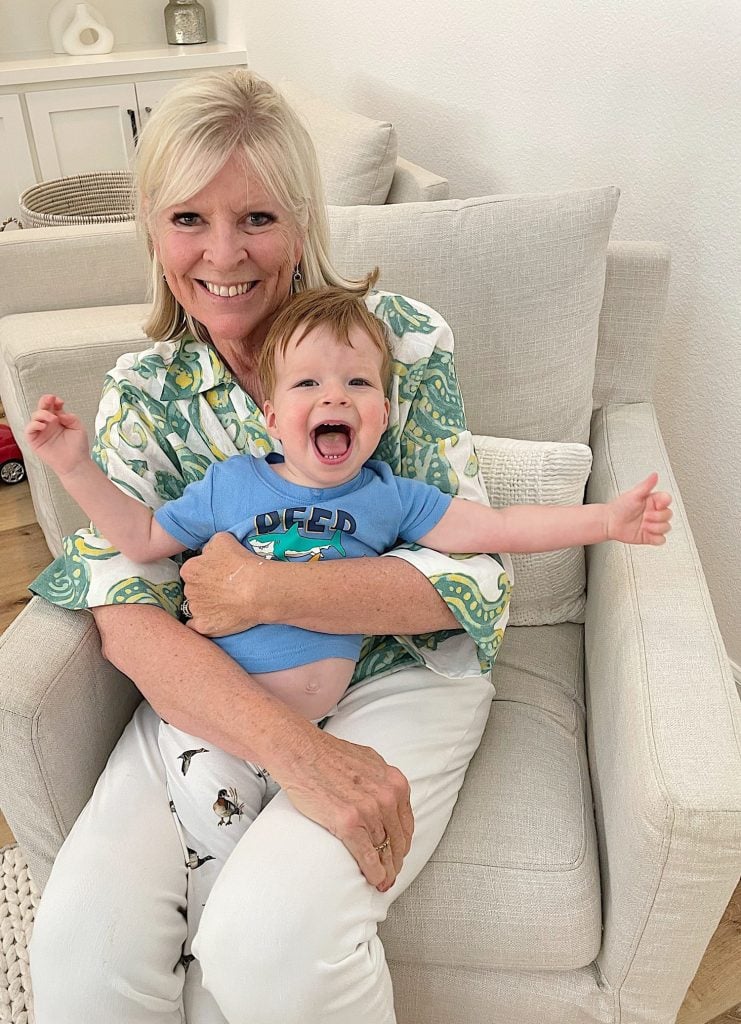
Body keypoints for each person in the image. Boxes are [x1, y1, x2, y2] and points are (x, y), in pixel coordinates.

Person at [18, 67, 570, 1024]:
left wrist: (265, 590)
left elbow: (468, 578)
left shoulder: (400, 340)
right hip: (217, 688)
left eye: (258, 219)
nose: (222, 253)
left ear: (304, 220)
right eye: (187, 217)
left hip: (396, 676)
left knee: (267, 945)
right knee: (77, 954)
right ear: (150, 227)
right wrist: (288, 747)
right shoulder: (146, 391)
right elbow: (120, 600)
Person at [26, 282, 672, 929]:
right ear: (272, 417)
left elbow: (498, 529)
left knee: (268, 907)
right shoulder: (231, 483)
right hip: (217, 730)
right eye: (307, 384)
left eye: (356, 383)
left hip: (329, 729)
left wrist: (606, 520)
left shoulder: (392, 498)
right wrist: (75, 466)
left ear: (383, 415)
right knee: (210, 898)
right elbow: (137, 537)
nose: (333, 395)